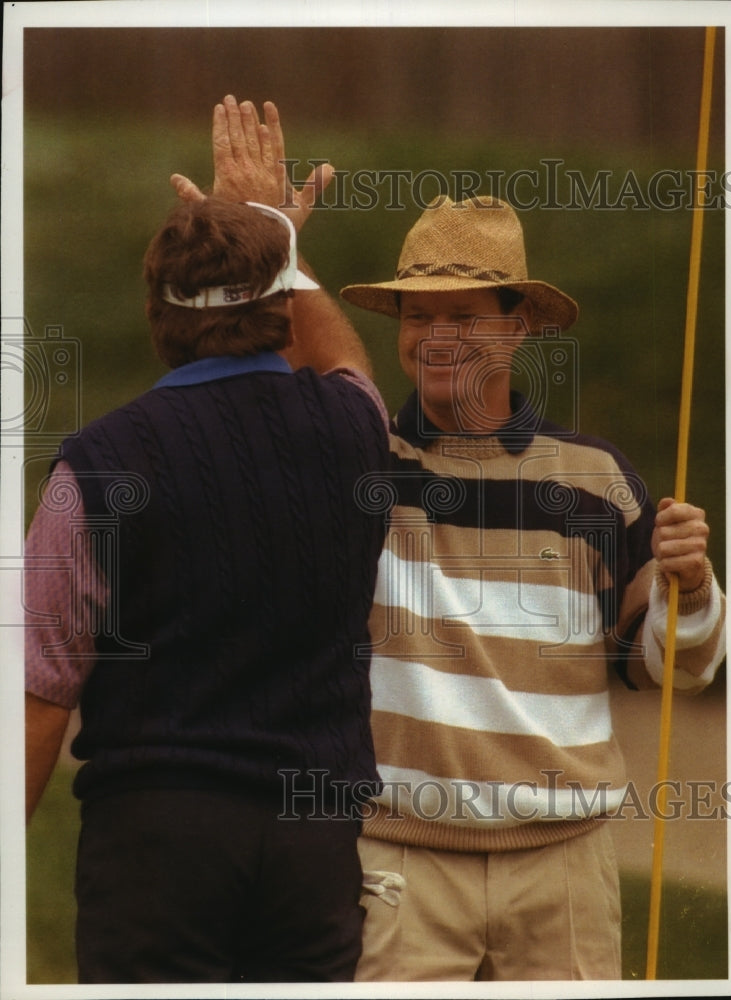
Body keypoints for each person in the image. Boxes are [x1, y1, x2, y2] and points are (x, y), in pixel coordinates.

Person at [24, 99, 390, 983]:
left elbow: (41, 698)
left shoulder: (96, 467)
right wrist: (277, 241)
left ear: (157, 313)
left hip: (158, 840)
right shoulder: (354, 427)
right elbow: (346, 362)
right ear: (280, 305)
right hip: (315, 837)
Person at [336, 195, 727, 979]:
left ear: (517, 329)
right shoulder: (357, 463)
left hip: (564, 866)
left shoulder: (596, 482)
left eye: (465, 316)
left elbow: (666, 665)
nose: (435, 338)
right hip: (397, 859)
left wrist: (693, 585)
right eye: (417, 316)